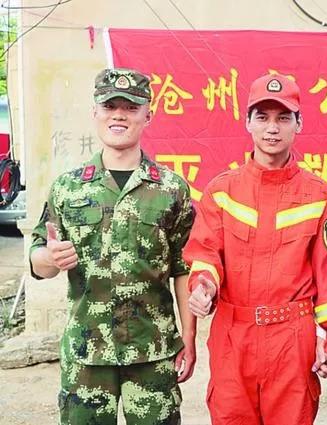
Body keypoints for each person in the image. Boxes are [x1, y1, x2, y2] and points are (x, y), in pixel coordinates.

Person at [29, 68, 196, 425]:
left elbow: (182, 268)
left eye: (131, 107)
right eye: (109, 106)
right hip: (87, 353)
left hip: (153, 352)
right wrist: (50, 258)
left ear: (148, 115)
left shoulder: (171, 189)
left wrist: (190, 336)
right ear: (95, 112)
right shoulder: (68, 188)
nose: (119, 115)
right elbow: (39, 259)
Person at [182, 74, 327, 425]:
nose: (272, 128)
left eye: (283, 118)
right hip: (232, 337)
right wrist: (203, 287)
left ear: (299, 124)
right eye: (263, 117)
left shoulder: (318, 194)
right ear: (248, 122)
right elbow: (206, 253)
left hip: (292, 339)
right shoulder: (222, 191)